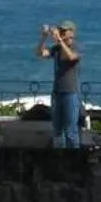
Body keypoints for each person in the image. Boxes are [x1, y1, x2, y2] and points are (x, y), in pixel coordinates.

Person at [35, 20, 83, 148]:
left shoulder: (76, 47)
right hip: (57, 92)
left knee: (70, 131)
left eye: (64, 31)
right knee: (57, 129)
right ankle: (59, 158)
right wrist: (44, 37)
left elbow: (72, 57)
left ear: (71, 33)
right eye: (60, 30)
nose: (61, 33)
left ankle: (74, 160)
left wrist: (60, 41)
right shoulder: (56, 49)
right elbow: (39, 53)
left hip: (71, 93)